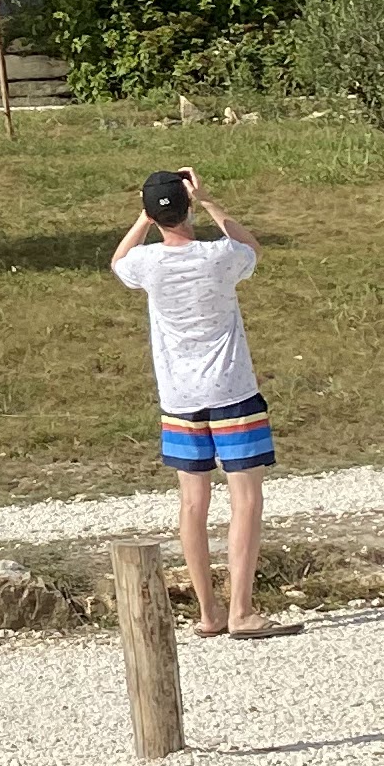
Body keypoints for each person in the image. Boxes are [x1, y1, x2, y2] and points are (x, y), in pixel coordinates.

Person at [111, 166, 292, 639]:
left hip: (180, 398)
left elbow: (118, 260)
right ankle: (242, 611)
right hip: (233, 392)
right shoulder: (218, 256)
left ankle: (208, 613)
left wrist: (145, 216)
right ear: (188, 206)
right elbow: (251, 247)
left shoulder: (147, 264)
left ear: (152, 215)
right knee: (245, 500)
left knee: (192, 503)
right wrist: (210, 200)